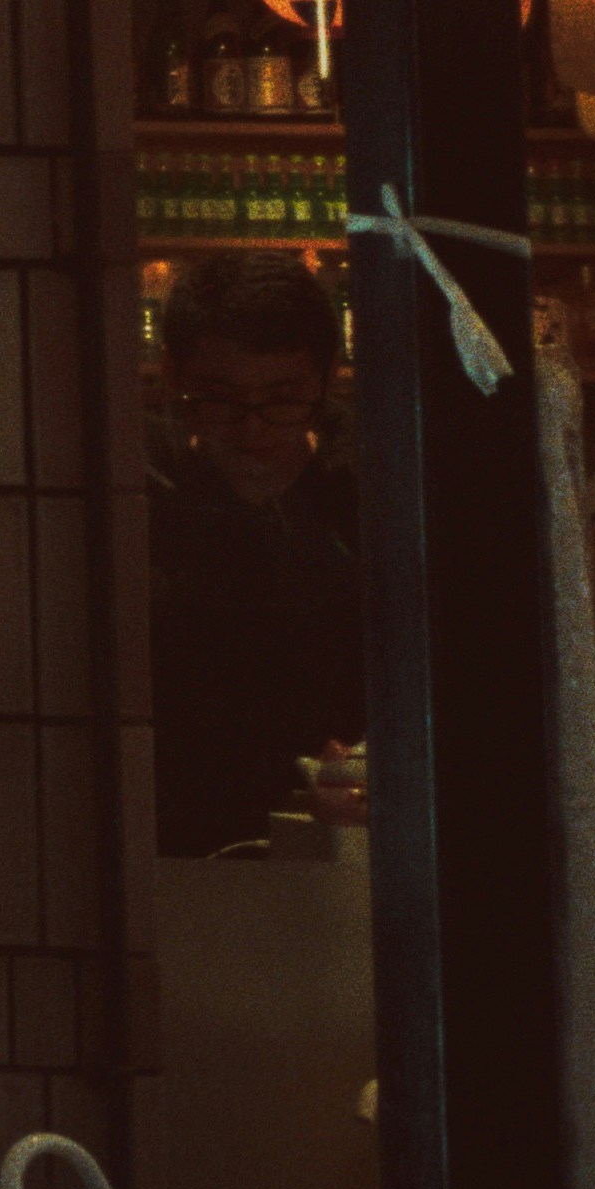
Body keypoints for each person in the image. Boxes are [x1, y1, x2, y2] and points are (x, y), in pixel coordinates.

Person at [150, 259, 366, 853]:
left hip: (350, 847)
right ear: (172, 374)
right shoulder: (140, 489)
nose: (251, 430)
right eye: (218, 400)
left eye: (282, 400)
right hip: (171, 846)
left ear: (328, 378)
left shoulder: (374, 492)